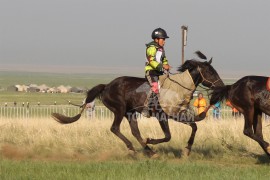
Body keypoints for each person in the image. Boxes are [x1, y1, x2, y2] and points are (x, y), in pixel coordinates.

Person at [142, 28, 171, 117]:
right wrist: (162, 66)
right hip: (151, 72)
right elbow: (151, 61)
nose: (164, 41)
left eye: (165, 39)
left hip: (159, 72)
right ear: (156, 39)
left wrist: (167, 66)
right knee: (155, 87)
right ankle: (145, 108)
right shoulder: (151, 48)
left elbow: (164, 59)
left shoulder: (161, 49)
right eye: (163, 39)